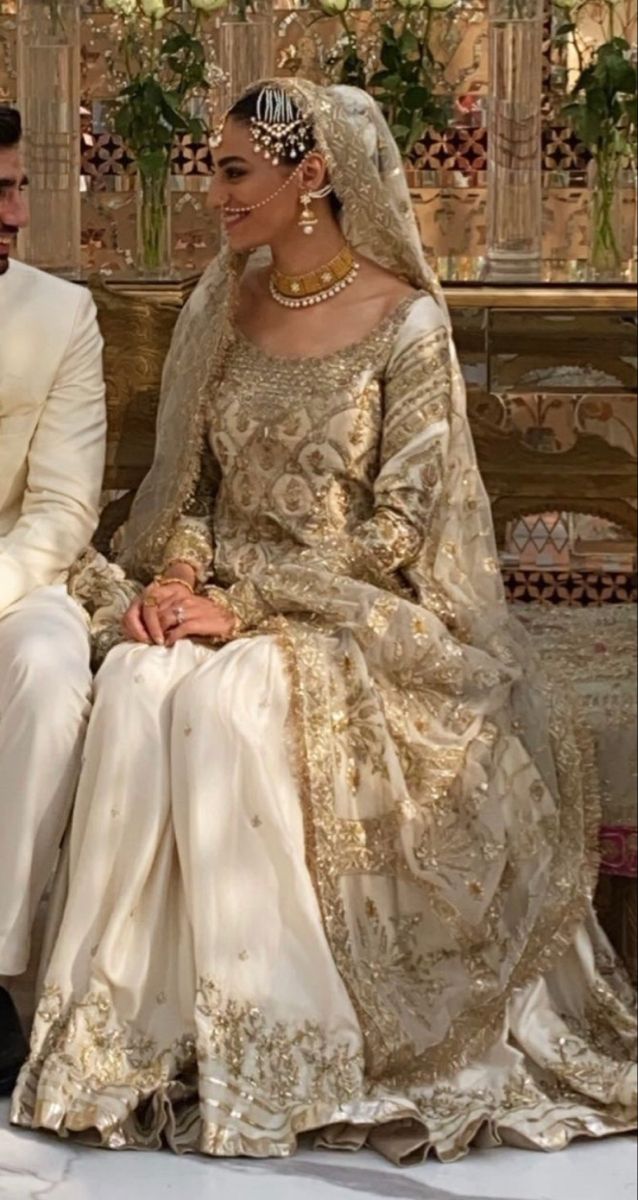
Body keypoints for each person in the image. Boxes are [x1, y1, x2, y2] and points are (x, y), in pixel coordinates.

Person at [12, 81, 636, 1162]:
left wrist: (245, 605)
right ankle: (130, 1047)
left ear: (313, 178)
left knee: (235, 701)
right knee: (134, 686)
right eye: (211, 168)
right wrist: (176, 580)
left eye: (234, 171)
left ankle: (278, 1043)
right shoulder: (225, 301)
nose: (216, 193)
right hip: (218, 587)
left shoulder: (406, 321)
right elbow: (189, 488)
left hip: (344, 606)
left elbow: (403, 525)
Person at [0, 106, 106, 1094]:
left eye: (19, 188)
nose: (17, 215)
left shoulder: (59, 313)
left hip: (17, 576)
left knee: (45, 664)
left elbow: (64, 507)